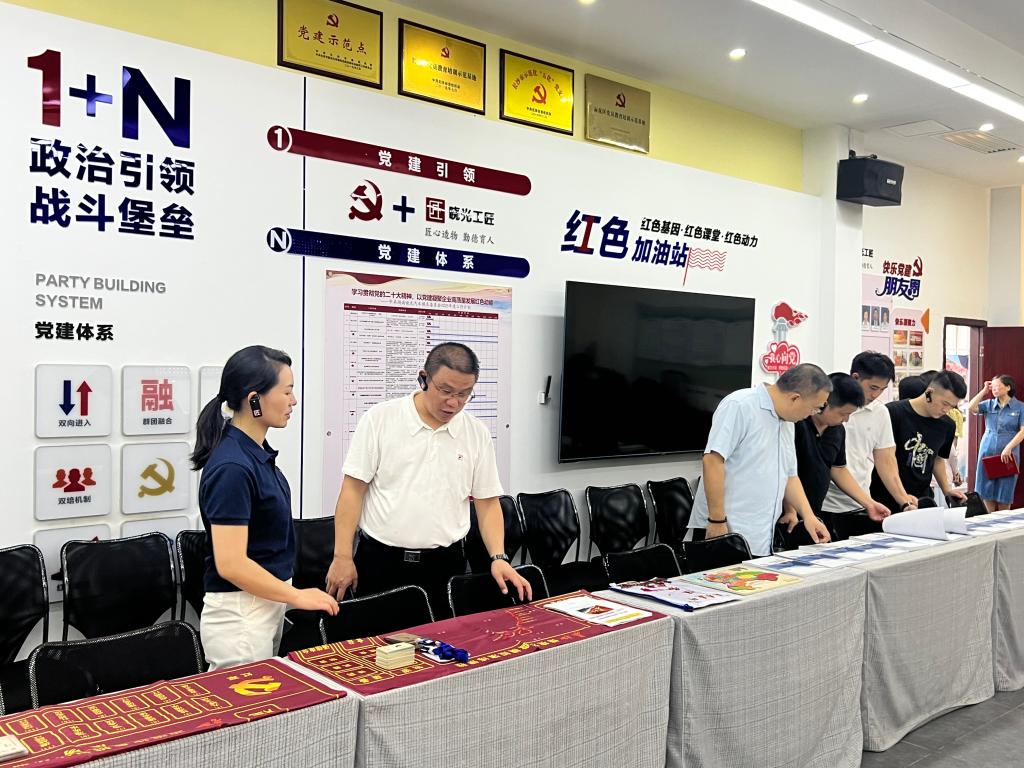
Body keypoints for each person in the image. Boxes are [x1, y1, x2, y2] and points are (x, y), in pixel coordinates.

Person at [326, 342, 531, 616]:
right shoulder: (380, 419)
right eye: (445, 390)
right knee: (378, 639)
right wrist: (342, 556)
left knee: (442, 638)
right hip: (381, 561)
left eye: (464, 394)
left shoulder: (476, 433)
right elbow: (352, 491)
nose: (453, 403)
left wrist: (499, 557)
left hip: (445, 564)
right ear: (423, 378)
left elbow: (487, 502)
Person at [191, 346, 338, 670]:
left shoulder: (254, 453)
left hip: (263, 604)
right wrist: (298, 596)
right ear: (254, 399)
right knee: (245, 701)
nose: (293, 401)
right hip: (240, 615)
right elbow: (231, 563)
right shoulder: (232, 466)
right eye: (286, 391)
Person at [689, 363, 832, 557]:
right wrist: (717, 520)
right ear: (795, 398)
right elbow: (712, 461)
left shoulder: (787, 421)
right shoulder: (740, 405)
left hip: (759, 533)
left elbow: (790, 476)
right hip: (724, 528)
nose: (811, 415)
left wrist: (808, 516)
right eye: (814, 409)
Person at [781, 373, 890, 546]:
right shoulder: (795, 424)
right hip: (788, 515)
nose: (846, 419)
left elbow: (838, 469)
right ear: (824, 404)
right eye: (843, 413)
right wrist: (790, 509)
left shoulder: (837, 430)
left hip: (813, 512)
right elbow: (786, 472)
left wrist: (868, 503)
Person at [823, 353, 916, 539]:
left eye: (882, 389)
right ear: (855, 377)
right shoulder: (826, 408)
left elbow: (886, 460)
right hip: (822, 503)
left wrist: (903, 500)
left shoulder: (879, 412)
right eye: (873, 387)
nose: (875, 395)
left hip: (859, 503)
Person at [870, 370, 968, 513]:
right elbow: (883, 459)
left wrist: (947, 489)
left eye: (951, 406)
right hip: (884, 499)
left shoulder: (947, 425)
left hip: (921, 499)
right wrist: (903, 498)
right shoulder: (893, 413)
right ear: (929, 392)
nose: (946, 410)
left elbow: (937, 459)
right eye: (944, 403)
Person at [968, 375, 1024, 511]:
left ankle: (1003, 521)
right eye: (992, 386)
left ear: (1008, 387)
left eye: (997, 386)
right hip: (987, 451)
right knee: (986, 489)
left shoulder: (1020, 407)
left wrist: (1009, 447)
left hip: (1008, 454)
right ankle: (989, 518)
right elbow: (971, 407)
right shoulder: (989, 404)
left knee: (1005, 490)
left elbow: (1023, 431)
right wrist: (984, 391)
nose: (994, 389)